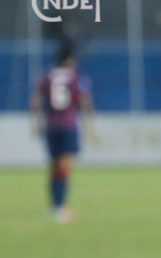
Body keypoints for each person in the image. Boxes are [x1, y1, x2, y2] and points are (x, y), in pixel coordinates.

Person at [30, 39, 95, 223]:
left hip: (51, 125)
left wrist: (35, 122)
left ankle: (55, 206)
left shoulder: (47, 75)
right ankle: (61, 208)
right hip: (68, 125)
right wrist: (90, 126)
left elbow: (36, 99)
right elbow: (84, 101)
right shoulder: (76, 76)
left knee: (54, 165)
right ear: (69, 59)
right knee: (66, 165)